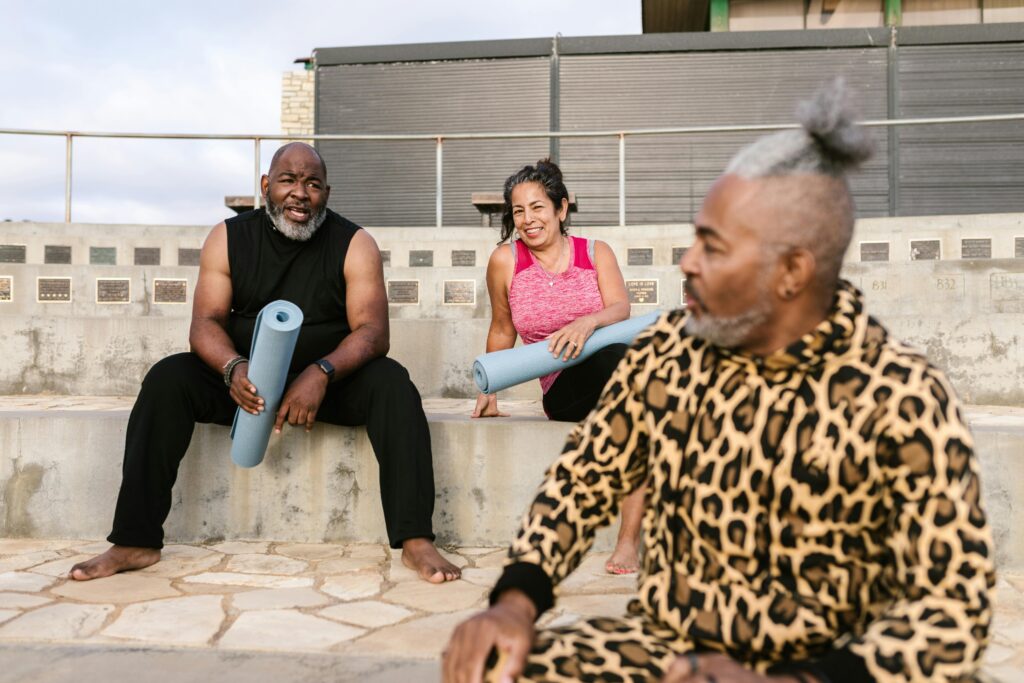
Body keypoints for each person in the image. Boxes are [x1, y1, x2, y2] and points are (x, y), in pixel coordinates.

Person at [444, 81, 994, 682]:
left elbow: (951, 616)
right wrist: (515, 603)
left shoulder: (901, 396)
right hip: (676, 649)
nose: (688, 262)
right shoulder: (668, 353)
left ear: (790, 272)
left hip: (831, 665)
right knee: (500, 665)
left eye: (714, 245)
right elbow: (579, 486)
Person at [70, 142, 460, 584]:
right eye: (288, 180)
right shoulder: (228, 237)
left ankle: (415, 540)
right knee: (167, 379)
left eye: (312, 183)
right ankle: (135, 539)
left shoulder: (355, 243)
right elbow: (205, 323)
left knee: (394, 385)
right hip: (246, 381)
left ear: (326, 194)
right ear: (265, 186)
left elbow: (373, 332)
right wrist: (234, 369)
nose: (300, 193)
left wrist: (321, 373)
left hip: (325, 384)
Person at [471, 159, 644, 575]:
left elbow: (621, 306)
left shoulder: (595, 252)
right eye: (518, 211)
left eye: (537, 208)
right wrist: (488, 390)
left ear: (561, 209)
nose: (527, 220)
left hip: (613, 369)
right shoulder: (505, 261)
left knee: (628, 384)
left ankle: (628, 540)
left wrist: (588, 321)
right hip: (564, 387)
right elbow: (502, 327)